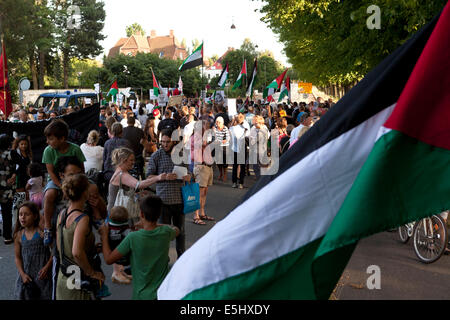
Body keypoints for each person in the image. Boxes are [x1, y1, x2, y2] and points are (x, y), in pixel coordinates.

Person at [99, 195, 179, 300]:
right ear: (159, 214)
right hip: (164, 292)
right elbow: (176, 229)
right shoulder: (166, 232)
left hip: (142, 295)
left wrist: (104, 236)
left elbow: (109, 259)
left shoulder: (133, 237)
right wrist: (155, 224)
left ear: (141, 214)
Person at [107, 147, 165, 284]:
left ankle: (120, 271)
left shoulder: (120, 173)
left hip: (118, 212)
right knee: (119, 242)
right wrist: (158, 177)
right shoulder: (122, 174)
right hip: (117, 214)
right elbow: (138, 184)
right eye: (131, 160)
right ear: (123, 160)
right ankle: (117, 272)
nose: (133, 163)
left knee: (121, 240)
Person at [55, 173, 106, 300]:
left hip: (63, 277)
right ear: (85, 192)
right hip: (77, 281)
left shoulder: (62, 214)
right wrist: (92, 273)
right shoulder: (82, 219)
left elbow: (61, 244)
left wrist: (90, 247)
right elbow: (77, 252)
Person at [146, 129, 191, 258]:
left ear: (174, 142)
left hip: (179, 200)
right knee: (163, 234)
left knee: (180, 232)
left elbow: (190, 173)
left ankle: (181, 259)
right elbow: (148, 177)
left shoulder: (182, 154)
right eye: (162, 142)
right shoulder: (156, 156)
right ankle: (162, 260)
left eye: (167, 142)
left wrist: (188, 176)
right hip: (163, 201)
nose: (165, 145)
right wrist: (162, 177)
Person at [42, 119, 86, 246]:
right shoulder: (48, 151)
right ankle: (47, 226)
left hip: (75, 178)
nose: (47, 142)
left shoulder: (75, 149)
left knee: (92, 189)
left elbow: (82, 170)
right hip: (57, 180)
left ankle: (97, 218)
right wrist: (62, 187)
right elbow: (51, 173)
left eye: (50, 139)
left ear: (62, 138)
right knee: (50, 194)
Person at [13, 202, 52, 300]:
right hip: (26, 276)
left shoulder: (41, 232)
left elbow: (55, 251)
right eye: (20, 214)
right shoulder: (19, 235)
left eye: (27, 214)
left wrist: (47, 267)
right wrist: (22, 274)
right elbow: (17, 258)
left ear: (35, 216)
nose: (23, 217)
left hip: (42, 275)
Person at [191, 120, 215, 225]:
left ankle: (202, 213)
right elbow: (202, 144)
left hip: (207, 166)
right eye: (205, 125)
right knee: (199, 193)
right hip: (201, 166)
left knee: (204, 192)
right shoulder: (196, 136)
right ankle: (196, 216)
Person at [11, 135, 33, 229]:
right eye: (22, 144)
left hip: (27, 179)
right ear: (18, 144)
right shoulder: (15, 153)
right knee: (19, 201)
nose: (24, 146)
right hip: (19, 179)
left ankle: (26, 222)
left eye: (25, 144)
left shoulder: (28, 154)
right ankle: (16, 224)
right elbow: (15, 167)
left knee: (27, 200)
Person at [0, 134, 16, 244]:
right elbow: (18, 167)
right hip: (8, 187)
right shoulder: (11, 154)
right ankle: (7, 236)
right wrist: (14, 175)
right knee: (7, 212)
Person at [229, 114, 250, 189]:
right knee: (242, 166)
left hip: (234, 148)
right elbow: (248, 137)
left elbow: (229, 137)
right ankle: (241, 183)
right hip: (242, 148)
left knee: (235, 166)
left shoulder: (232, 128)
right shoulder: (245, 129)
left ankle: (234, 182)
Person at [214, 116, 230, 182]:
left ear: (222, 123)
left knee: (225, 162)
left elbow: (228, 137)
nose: (217, 123)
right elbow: (214, 137)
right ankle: (220, 173)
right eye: (217, 122)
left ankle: (225, 174)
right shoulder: (215, 128)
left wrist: (225, 140)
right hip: (217, 146)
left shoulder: (225, 128)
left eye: (219, 122)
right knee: (218, 161)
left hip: (225, 146)